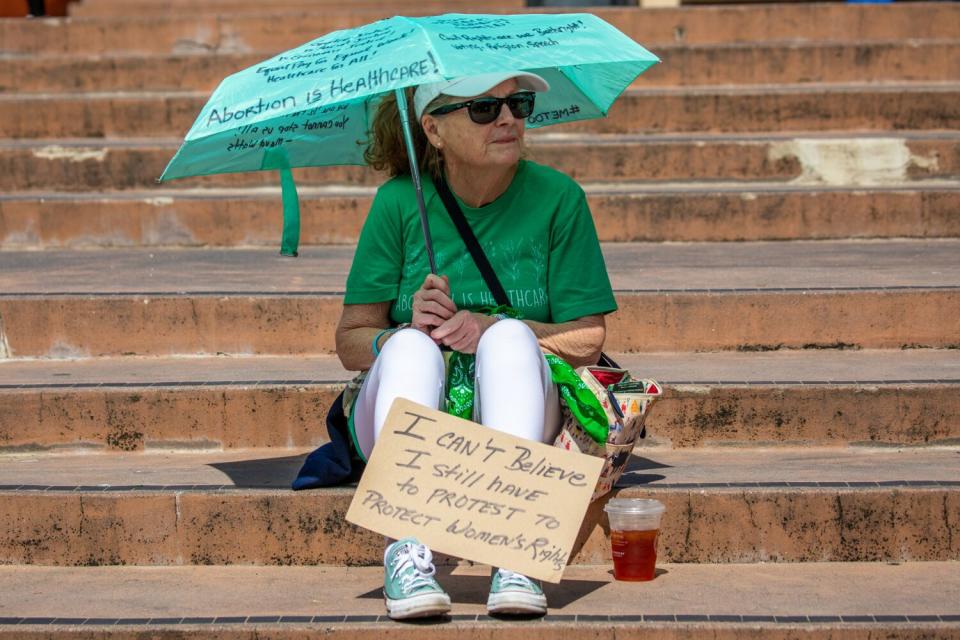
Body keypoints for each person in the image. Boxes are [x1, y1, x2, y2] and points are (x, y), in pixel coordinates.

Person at [335, 70, 617, 620]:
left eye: (518, 103)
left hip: (517, 408)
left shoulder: (560, 197)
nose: (508, 118)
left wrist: (490, 326)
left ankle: (515, 551)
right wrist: (404, 330)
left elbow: (588, 337)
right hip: (409, 412)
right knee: (411, 349)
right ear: (434, 131)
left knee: (510, 336)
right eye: (484, 110)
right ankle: (406, 551)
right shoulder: (399, 203)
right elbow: (349, 341)